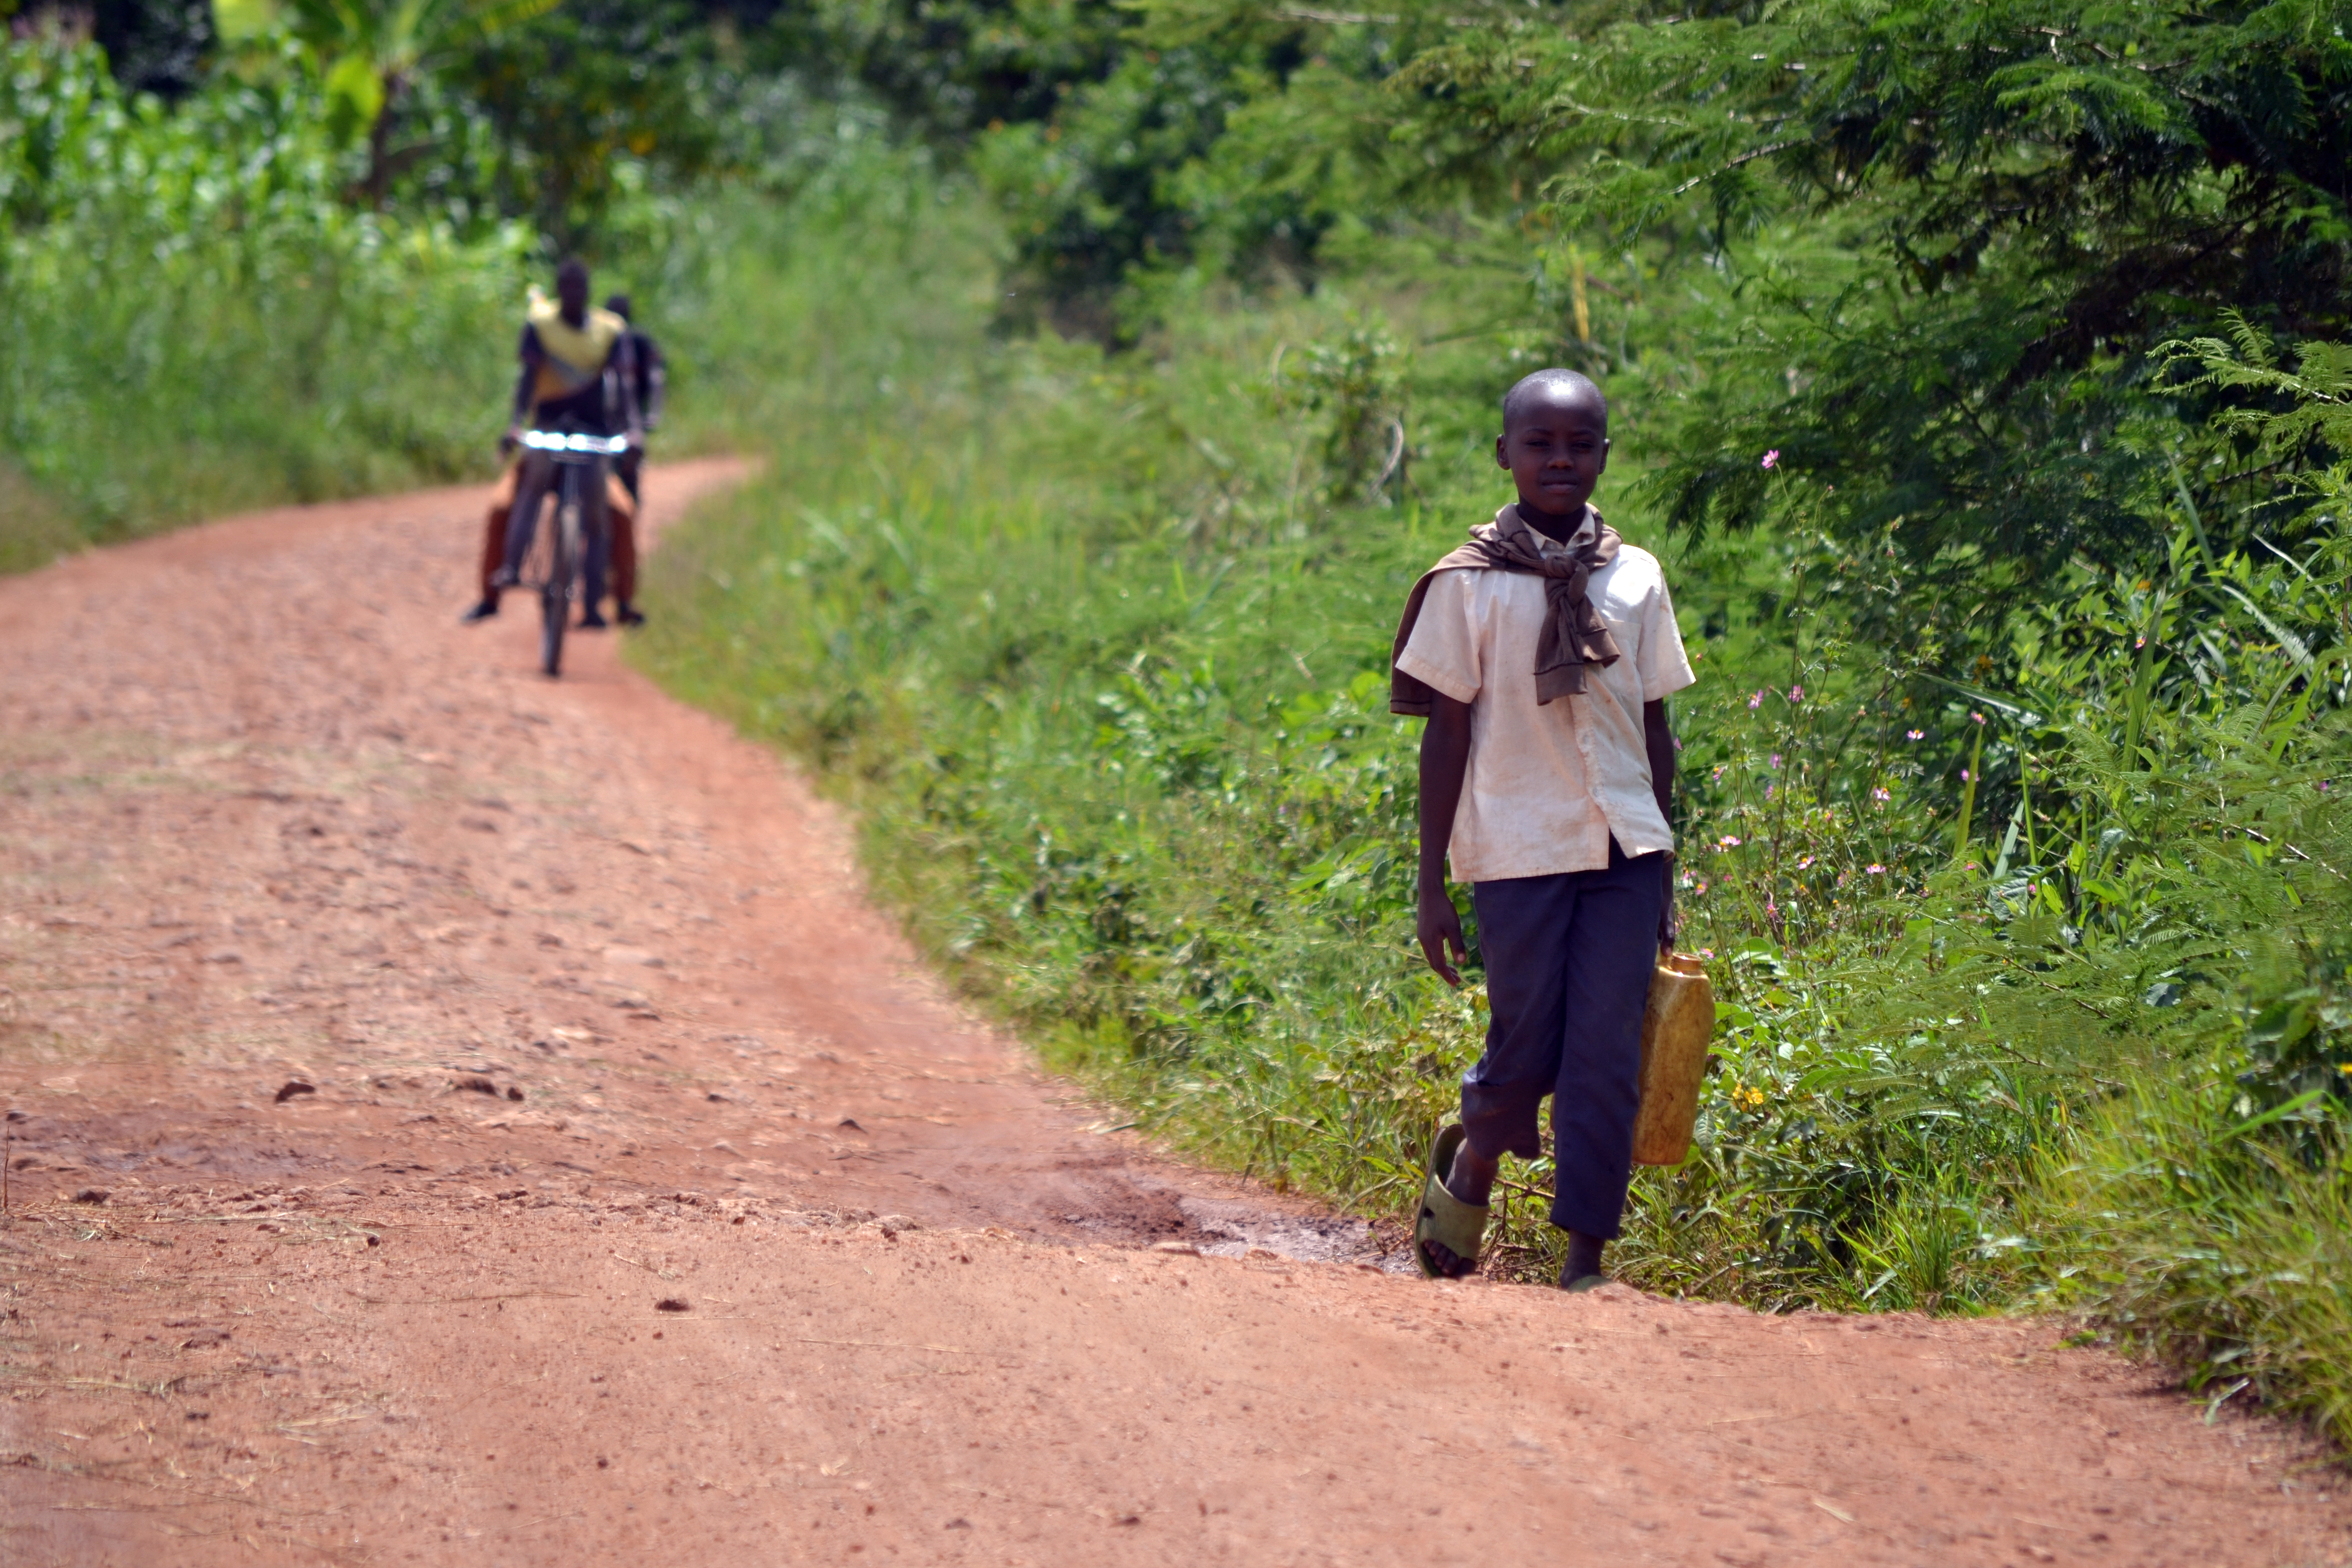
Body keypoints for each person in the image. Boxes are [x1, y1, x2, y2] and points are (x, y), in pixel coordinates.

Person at [1389, 368, 1695, 1291]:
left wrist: (1664, 867)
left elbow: (1654, 729)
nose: (1560, 460)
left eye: (1579, 445)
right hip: (1516, 849)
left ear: (1604, 454)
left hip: (1624, 850)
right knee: (1525, 1043)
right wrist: (1430, 885)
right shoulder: (1469, 585)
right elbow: (1445, 738)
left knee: (1605, 1051)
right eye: (1540, 444)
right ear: (1504, 454)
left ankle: (1585, 1260)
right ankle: (1476, 1159)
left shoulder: (1635, 576)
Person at [459, 259, 641, 627]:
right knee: (504, 507)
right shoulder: (541, 325)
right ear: (559, 290)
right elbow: (527, 380)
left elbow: (624, 388)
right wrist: (515, 426)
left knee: (615, 515)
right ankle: (496, 589)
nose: (574, 293)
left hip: (593, 439)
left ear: (588, 291)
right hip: (547, 433)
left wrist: (633, 431)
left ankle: (610, 604)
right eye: (567, 286)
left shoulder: (609, 331)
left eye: (580, 287)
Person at [601, 292, 666, 626]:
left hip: (627, 433)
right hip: (597, 433)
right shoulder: (592, 344)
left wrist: (649, 416)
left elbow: (654, 379)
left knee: (627, 502)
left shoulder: (639, 344)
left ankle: (622, 593)